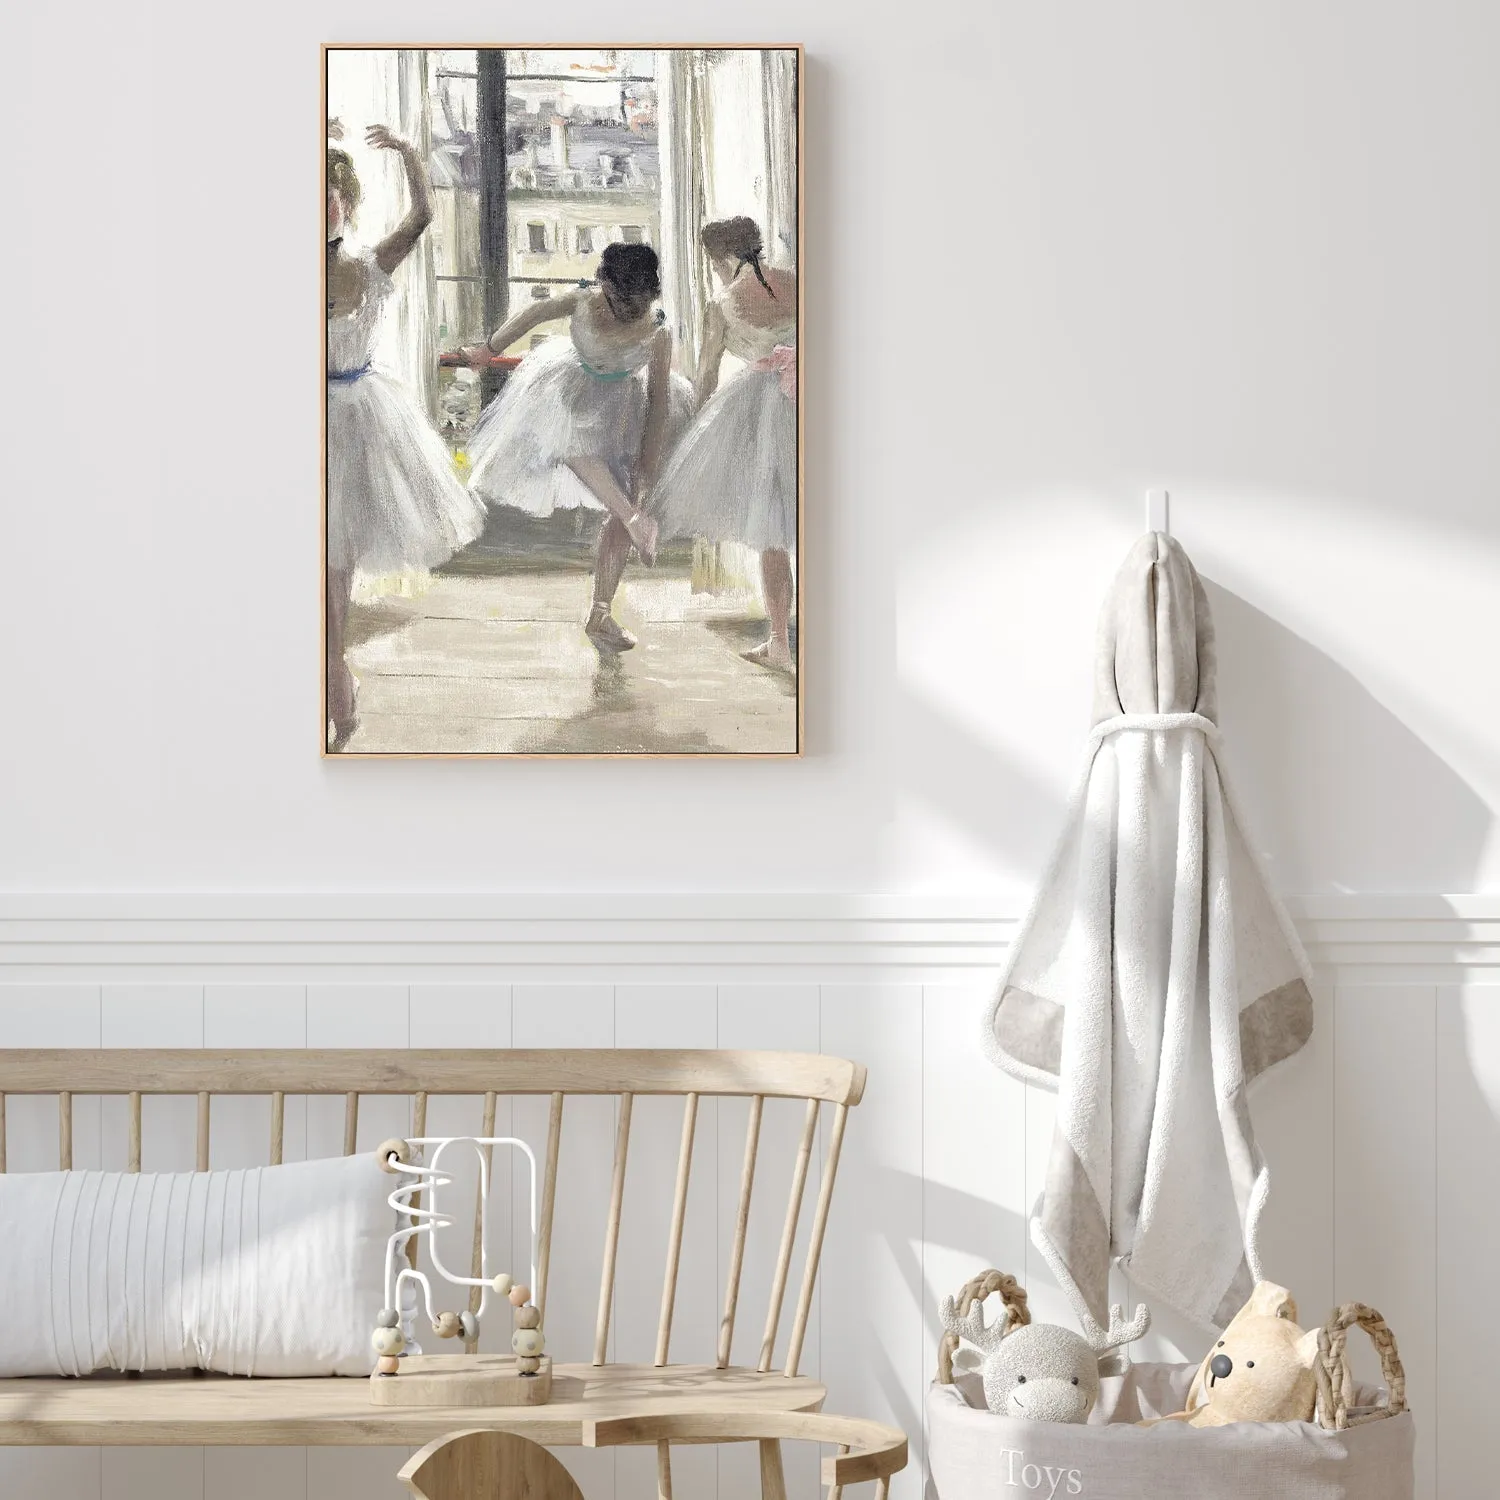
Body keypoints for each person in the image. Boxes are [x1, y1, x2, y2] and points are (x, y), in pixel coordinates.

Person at [325, 124, 485, 748]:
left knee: (335, 562)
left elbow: (422, 215)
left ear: (349, 202)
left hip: (357, 414)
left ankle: (335, 670)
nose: (319, 203)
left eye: (331, 193)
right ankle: (331, 672)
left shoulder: (369, 262)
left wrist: (409, 153)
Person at [460, 244, 690, 652]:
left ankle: (600, 611)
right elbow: (531, 316)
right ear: (603, 284)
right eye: (621, 300)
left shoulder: (658, 331)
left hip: (622, 410)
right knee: (569, 442)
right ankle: (632, 517)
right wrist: (487, 351)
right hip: (569, 393)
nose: (629, 311)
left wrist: (645, 475)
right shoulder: (583, 300)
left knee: (626, 502)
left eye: (640, 303)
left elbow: (658, 405)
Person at [650, 217, 798, 671]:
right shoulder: (796, 281)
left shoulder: (722, 305)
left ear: (721, 259)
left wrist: (695, 424)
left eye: (712, 262)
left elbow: (708, 374)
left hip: (762, 410)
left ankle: (779, 641)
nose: (713, 270)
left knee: (772, 528)